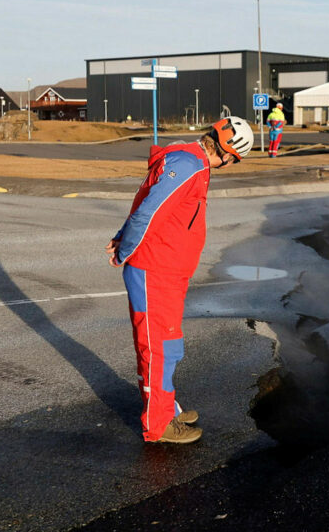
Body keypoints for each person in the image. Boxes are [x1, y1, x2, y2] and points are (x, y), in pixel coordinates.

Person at [105, 117, 254, 443]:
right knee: (157, 348)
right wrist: (125, 249)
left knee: (169, 346)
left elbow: (147, 202)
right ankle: (158, 425)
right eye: (234, 160)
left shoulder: (190, 161)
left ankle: (166, 406)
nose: (230, 165)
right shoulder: (189, 165)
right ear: (229, 155)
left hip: (168, 272)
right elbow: (149, 210)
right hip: (154, 270)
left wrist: (121, 236)